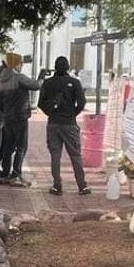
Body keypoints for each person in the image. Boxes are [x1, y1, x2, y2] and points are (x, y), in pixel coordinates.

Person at [38, 56, 91, 196]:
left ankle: (57, 185)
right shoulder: (74, 82)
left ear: (55, 67)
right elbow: (81, 102)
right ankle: (82, 186)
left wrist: (50, 112)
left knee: (55, 155)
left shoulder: (48, 83)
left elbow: (40, 103)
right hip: (69, 123)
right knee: (75, 154)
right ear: (67, 67)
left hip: (53, 123)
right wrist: (73, 113)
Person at [0, 53, 41, 187]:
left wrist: (6, 113)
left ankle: (5, 173)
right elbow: (36, 85)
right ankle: (16, 174)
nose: (22, 66)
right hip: (20, 117)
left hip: (8, 118)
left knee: (8, 147)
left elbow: (0, 104)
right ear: (16, 64)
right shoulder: (18, 78)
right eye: (21, 63)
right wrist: (41, 77)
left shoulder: (1, 79)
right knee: (21, 146)